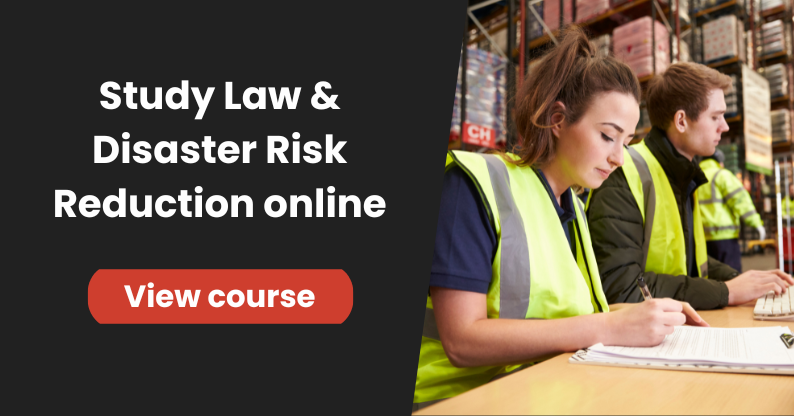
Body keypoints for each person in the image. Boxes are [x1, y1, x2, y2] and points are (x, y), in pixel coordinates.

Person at [413, 28, 707, 411]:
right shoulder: (473, 186)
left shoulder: (571, 209)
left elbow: (570, 316)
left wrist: (644, 313)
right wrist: (608, 326)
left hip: (537, 390)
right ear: (557, 119)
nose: (619, 158)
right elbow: (462, 340)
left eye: (627, 141)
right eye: (607, 136)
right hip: (456, 401)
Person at [586, 62, 793, 311]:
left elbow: (692, 265)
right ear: (681, 121)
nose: (724, 126)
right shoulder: (623, 174)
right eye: (715, 116)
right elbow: (622, 287)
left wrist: (744, 280)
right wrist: (726, 291)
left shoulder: (684, 176)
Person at [697, 149, 764, 272]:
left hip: (701, 239)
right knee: (731, 275)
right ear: (719, 162)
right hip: (725, 237)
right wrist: (756, 223)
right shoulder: (721, 175)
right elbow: (740, 200)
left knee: (710, 278)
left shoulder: (694, 177)